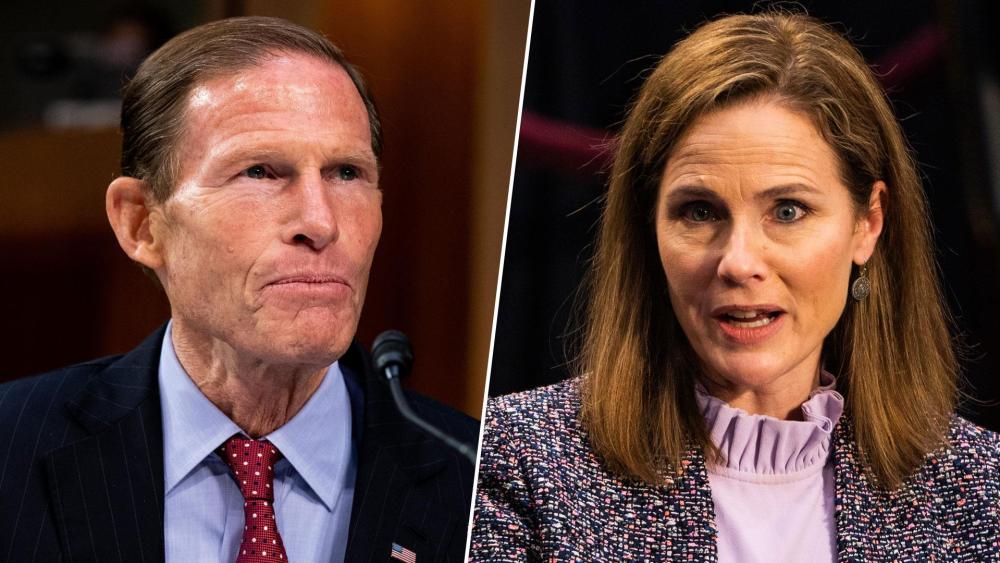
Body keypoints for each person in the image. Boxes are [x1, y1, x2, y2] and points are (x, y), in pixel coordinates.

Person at [470, 11, 998, 562]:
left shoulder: (982, 491)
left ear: (867, 224)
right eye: (700, 211)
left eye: (788, 210)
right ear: (649, 228)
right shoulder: (516, 461)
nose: (739, 262)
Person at [0, 16, 477, 563]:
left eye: (346, 173)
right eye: (260, 172)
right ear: (141, 223)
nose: (321, 223)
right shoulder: (12, 449)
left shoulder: (474, 474)